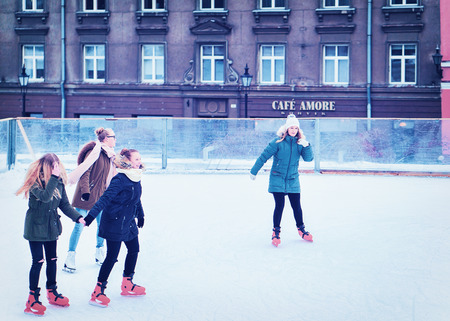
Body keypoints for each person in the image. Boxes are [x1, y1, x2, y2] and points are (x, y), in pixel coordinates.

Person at [16, 153, 86, 316]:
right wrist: (54, 177)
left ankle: (52, 292)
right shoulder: (35, 182)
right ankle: (32, 299)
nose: (57, 168)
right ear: (47, 167)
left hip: (51, 227)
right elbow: (46, 197)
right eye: (53, 165)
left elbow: (64, 205)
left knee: (52, 260)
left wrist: (78, 217)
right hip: (35, 227)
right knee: (38, 261)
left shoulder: (58, 182)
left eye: (58, 165)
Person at [84, 148, 146, 307]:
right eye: (136, 159)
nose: (139, 161)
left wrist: (140, 214)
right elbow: (105, 199)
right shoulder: (119, 179)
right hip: (114, 221)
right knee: (112, 256)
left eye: (139, 158)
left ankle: (127, 283)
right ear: (128, 162)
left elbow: (136, 199)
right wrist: (90, 216)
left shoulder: (136, 177)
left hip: (128, 220)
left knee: (134, 249)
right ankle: (98, 291)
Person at [250, 114, 314, 247]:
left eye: (296, 128)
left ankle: (301, 230)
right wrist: (254, 171)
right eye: (291, 127)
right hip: (277, 178)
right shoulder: (277, 142)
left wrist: (307, 146)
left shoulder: (299, 144)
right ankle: (276, 232)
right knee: (280, 206)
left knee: (296, 206)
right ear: (286, 128)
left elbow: (308, 159)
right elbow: (263, 156)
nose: (294, 130)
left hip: (292, 179)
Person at [63, 127, 117, 273]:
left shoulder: (109, 155)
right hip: (86, 195)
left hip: (102, 196)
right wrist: (86, 191)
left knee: (102, 225)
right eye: (113, 136)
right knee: (79, 225)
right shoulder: (94, 152)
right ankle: (70, 256)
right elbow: (84, 171)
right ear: (106, 139)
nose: (115, 139)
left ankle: (99, 251)